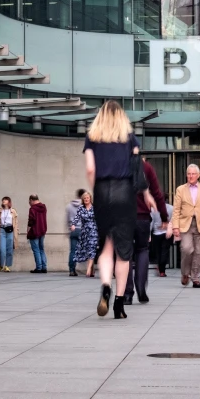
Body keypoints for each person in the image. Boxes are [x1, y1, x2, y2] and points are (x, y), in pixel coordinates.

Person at [83, 100, 157, 319]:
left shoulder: (92, 137)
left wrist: (95, 187)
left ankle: (106, 286)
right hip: (125, 193)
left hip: (102, 191)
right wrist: (146, 194)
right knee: (124, 252)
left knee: (105, 246)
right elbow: (137, 169)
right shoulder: (129, 137)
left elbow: (90, 168)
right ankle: (119, 304)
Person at [124, 159, 167, 305]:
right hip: (142, 218)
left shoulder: (117, 164)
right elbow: (157, 193)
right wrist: (164, 216)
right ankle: (141, 290)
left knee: (126, 254)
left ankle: (127, 293)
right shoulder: (146, 167)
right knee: (142, 250)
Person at [170, 164, 200, 288]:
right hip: (185, 224)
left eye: (193, 174)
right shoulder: (180, 189)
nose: (191, 176)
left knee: (199, 252)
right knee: (187, 249)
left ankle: (196, 278)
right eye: (189, 174)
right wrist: (175, 226)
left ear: (198, 175)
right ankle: (185, 273)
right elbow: (176, 210)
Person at [72, 191, 98, 277]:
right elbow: (76, 217)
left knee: (91, 249)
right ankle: (92, 270)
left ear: (90, 198)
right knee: (88, 250)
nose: (86, 199)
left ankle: (88, 270)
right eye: (85, 198)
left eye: (88, 198)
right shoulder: (81, 208)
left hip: (93, 231)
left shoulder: (94, 207)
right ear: (83, 200)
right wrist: (73, 225)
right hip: (85, 231)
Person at [150, 202, 175, 277]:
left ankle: (160, 268)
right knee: (165, 251)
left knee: (158, 252)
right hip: (168, 233)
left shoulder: (153, 209)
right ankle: (162, 271)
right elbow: (174, 219)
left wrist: (148, 233)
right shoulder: (171, 208)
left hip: (156, 233)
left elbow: (151, 222)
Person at [66, 189, 86, 276]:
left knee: (73, 251)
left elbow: (67, 219)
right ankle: (87, 269)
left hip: (73, 229)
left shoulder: (69, 206)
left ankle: (71, 269)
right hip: (82, 229)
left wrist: (68, 229)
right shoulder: (84, 206)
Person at [27, 195, 48, 273]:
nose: (29, 203)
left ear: (32, 200)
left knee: (36, 250)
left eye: (29, 201)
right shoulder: (44, 207)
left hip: (34, 231)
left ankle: (39, 267)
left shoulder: (32, 209)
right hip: (42, 230)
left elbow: (31, 221)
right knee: (41, 249)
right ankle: (44, 267)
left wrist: (28, 230)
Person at [0, 197, 17, 271]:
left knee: (9, 249)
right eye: (3, 200)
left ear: (9, 202)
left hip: (10, 230)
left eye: (5, 200)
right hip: (2, 229)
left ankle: (7, 266)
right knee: (1, 249)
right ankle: (0, 265)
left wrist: (16, 232)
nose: (3, 201)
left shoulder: (13, 211)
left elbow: (16, 222)